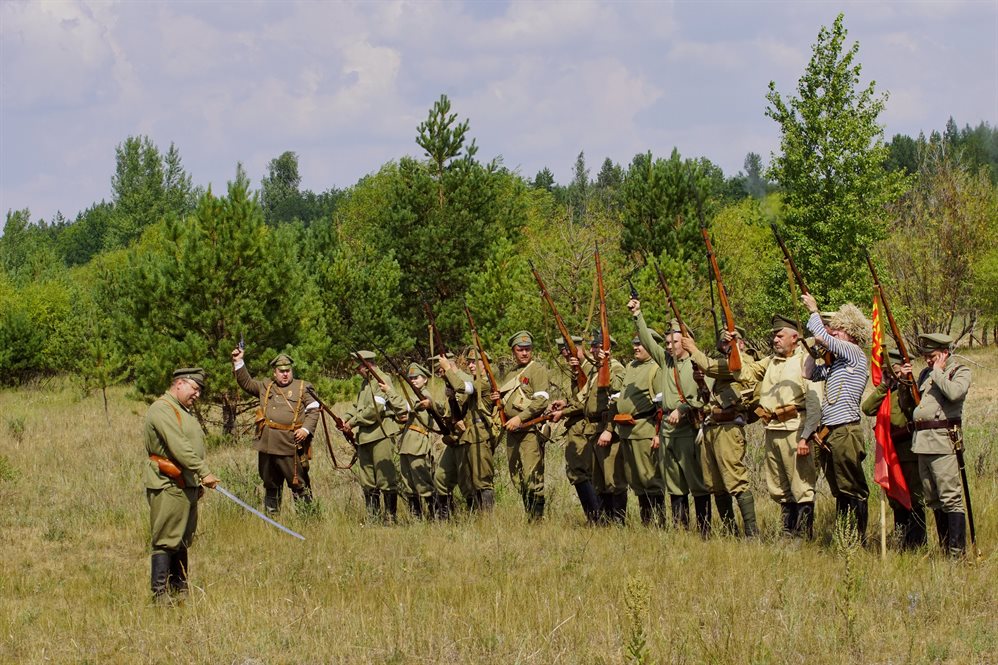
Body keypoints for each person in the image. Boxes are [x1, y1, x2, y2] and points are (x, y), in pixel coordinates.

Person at [736, 315, 822, 538]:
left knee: (801, 485)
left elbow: (814, 403)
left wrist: (807, 436)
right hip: (771, 428)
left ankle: (803, 533)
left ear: (795, 338)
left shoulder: (806, 361)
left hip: (795, 430)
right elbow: (744, 373)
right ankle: (788, 530)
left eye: (779, 335)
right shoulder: (769, 361)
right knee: (779, 485)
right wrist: (732, 349)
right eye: (774, 335)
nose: (775, 339)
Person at [631, 302, 710, 535]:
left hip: (688, 428)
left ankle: (705, 531)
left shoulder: (698, 364)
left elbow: (703, 398)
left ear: (685, 342)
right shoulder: (665, 361)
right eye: (666, 343)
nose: (669, 346)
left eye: (674, 342)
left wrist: (683, 408)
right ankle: (681, 529)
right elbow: (646, 340)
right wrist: (637, 314)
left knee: (696, 483)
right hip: (667, 429)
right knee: (674, 484)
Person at [144, 367, 219, 602]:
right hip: (168, 483)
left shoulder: (182, 410)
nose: (197, 394)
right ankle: (160, 595)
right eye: (195, 388)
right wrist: (203, 472)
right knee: (166, 538)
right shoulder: (162, 409)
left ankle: (180, 589)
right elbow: (178, 446)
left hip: (185, 483)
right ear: (179, 383)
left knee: (182, 538)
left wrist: (195, 482)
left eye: (199, 390)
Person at [802, 295, 872, 542]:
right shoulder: (836, 365)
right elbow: (808, 372)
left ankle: (856, 538)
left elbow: (823, 336)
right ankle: (846, 535)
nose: (835, 333)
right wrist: (814, 352)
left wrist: (814, 311)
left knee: (852, 487)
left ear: (851, 334)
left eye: (840, 330)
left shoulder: (854, 353)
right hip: (830, 432)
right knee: (840, 488)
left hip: (845, 431)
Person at [681, 327, 760, 537]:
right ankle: (728, 530)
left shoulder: (741, 361)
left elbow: (710, 366)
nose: (724, 346)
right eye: (723, 342)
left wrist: (692, 349)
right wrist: (700, 383)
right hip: (712, 426)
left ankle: (751, 533)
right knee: (715, 484)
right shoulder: (723, 367)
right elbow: (710, 397)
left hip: (728, 428)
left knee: (735, 480)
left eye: (729, 342)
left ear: (740, 343)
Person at [232, 350, 320, 513]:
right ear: (275, 372)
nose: (285, 374)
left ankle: (308, 521)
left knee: (299, 485)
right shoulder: (266, 386)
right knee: (270, 485)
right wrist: (238, 361)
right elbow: (246, 383)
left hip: (290, 446)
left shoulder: (303, 387)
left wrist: (306, 429)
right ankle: (272, 521)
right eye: (281, 371)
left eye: (288, 370)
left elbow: (314, 409)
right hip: (267, 446)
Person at [909, 333, 972, 557]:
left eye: (932, 355)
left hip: (943, 442)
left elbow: (955, 393)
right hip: (923, 443)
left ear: (944, 353)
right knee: (933, 499)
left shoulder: (959, 371)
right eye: (926, 356)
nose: (927, 360)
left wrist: (938, 371)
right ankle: (945, 549)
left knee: (950, 498)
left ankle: (956, 553)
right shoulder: (926, 373)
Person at [599, 323, 665, 526]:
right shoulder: (630, 367)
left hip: (644, 429)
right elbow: (615, 391)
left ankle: (658, 524)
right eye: (635, 344)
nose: (636, 347)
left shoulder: (656, 368)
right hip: (627, 431)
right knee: (635, 480)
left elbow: (661, 405)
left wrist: (658, 434)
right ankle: (646, 524)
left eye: (641, 344)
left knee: (650, 479)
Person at [861, 348, 925, 550]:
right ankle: (901, 538)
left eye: (892, 368)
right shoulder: (887, 390)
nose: (889, 371)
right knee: (896, 498)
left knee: (914, 497)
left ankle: (916, 542)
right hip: (890, 451)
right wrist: (883, 386)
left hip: (909, 451)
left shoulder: (911, 387)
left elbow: (912, 409)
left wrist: (905, 381)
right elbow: (868, 408)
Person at [339, 351, 408, 523]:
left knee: (386, 477)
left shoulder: (382, 379)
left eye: (359, 367)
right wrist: (344, 418)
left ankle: (391, 517)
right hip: (365, 437)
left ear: (368, 365)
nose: (357, 371)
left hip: (381, 434)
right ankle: (373, 518)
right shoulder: (366, 383)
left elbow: (374, 410)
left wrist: (353, 423)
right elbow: (358, 406)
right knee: (368, 479)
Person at [492, 331, 552, 520]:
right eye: (520, 350)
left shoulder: (537, 370)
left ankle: (536, 521)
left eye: (527, 349)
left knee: (532, 477)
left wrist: (520, 418)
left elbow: (541, 401)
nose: (524, 353)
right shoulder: (511, 373)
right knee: (517, 478)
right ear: (513, 351)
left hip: (529, 431)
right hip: (512, 432)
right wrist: (498, 399)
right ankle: (529, 515)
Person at [548, 335, 603, 524]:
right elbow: (577, 397)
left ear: (580, 348)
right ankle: (595, 517)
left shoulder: (591, 368)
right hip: (579, 425)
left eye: (569, 350)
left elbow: (587, 401)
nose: (565, 354)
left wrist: (563, 412)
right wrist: (564, 403)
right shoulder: (576, 369)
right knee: (578, 471)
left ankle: (597, 517)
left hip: (584, 426)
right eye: (563, 351)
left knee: (581, 471)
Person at [440, 349, 499, 511]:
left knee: (482, 481)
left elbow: (460, 386)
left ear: (485, 364)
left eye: (475, 362)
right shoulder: (475, 382)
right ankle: (476, 517)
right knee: (468, 481)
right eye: (470, 362)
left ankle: (487, 522)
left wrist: (447, 368)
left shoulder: (484, 382)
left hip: (480, 436)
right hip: (469, 436)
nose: (471, 365)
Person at [397, 362, 442, 519]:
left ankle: (436, 516)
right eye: (411, 378)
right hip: (407, 443)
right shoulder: (414, 397)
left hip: (418, 444)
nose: (413, 380)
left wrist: (390, 392)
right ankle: (417, 517)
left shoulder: (425, 396)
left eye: (417, 377)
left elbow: (407, 407)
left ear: (425, 379)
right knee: (408, 483)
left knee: (423, 483)